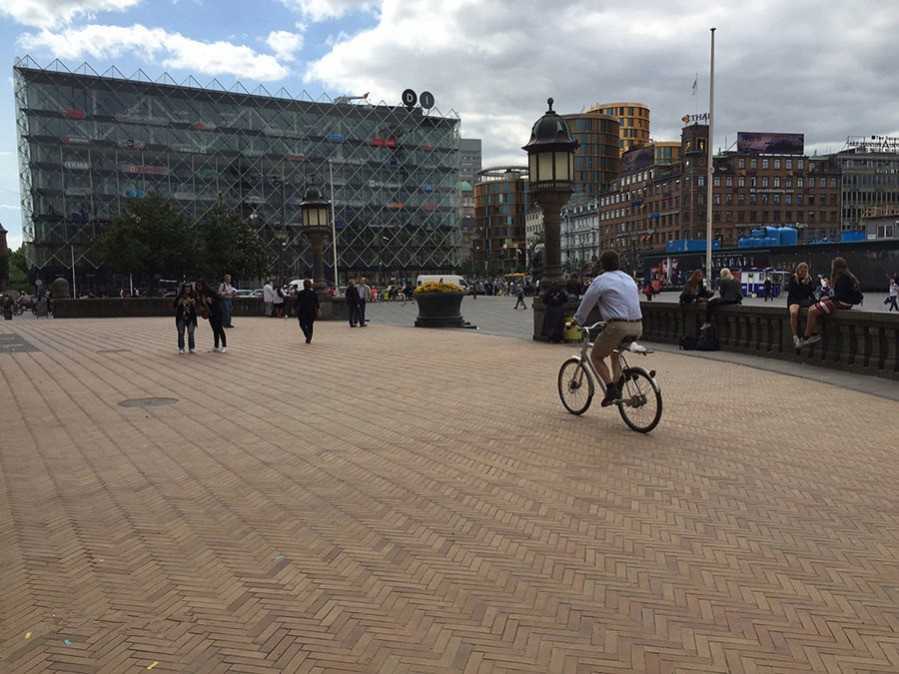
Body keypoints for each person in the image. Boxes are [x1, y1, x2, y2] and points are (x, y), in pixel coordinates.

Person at [572, 250, 643, 408]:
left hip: (618, 326)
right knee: (615, 353)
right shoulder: (629, 278)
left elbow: (587, 303)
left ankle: (611, 390)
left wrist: (576, 321)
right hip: (638, 325)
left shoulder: (601, 280)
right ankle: (618, 385)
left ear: (602, 265)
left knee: (596, 356)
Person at [801, 257, 863, 347]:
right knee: (811, 308)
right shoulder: (846, 276)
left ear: (837, 267)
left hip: (842, 303)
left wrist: (828, 298)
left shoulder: (844, 278)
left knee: (812, 311)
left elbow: (841, 296)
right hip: (842, 301)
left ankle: (807, 337)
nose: (832, 267)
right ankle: (813, 333)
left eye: (833, 265)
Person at [786, 263, 816, 348]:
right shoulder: (793, 278)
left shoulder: (808, 279)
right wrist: (801, 283)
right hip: (794, 299)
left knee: (813, 310)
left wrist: (808, 283)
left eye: (805, 271)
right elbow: (792, 291)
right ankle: (795, 337)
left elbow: (811, 291)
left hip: (803, 300)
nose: (803, 273)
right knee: (793, 313)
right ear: (798, 270)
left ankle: (810, 333)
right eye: (801, 271)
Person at [196, 280, 228, 352]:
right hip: (210, 313)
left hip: (217, 312)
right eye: (197, 286)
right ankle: (216, 346)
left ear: (203, 285)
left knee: (219, 328)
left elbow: (220, 298)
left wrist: (212, 300)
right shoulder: (200, 294)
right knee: (214, 329)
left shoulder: (210, 291)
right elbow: (201, 304)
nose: (199, 287)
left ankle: (224, 346)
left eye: (200, 285)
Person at [173, 283, 199, 354]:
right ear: (183, 289)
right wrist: (180, 302)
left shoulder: (193, 296)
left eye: (189, 287)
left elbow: (197, 306)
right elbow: (174, 305)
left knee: (191, 333)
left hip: (191, 317)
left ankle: (191, 347)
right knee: (181, 333)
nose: (187, 289)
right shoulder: (180, 296)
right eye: (186, 288)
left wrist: (194, 302)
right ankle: (181, 348)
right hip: (181, 317)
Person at [296, 279, 320, 343]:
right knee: (310, 325)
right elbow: (317, 303)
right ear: (310, 286)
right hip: (311, 311)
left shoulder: (300, 293)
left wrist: (295, 308)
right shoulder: (314, 293)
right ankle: (309, 336)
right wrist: (317, 310)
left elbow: (297, 302)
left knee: (302, 324)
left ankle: (307, 335)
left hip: (302, 311)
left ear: (303, 285)